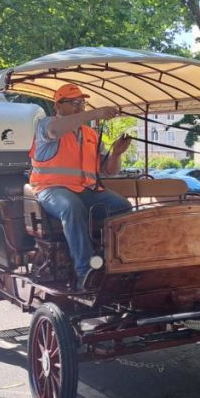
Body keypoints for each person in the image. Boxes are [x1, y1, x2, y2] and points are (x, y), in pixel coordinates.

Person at [30, 83, 133, 290]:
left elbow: (108, 171)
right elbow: (55, 129)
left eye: (82, 103)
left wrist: (116, 154)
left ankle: (112, 262)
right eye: (73, 102)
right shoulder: (46, 125)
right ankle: (85, 272)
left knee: (123, 206)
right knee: (71, 207)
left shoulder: (91, 135)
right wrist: (95, 113)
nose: (80, 107)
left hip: (87, 190)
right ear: (58, 107)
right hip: (51, 189)